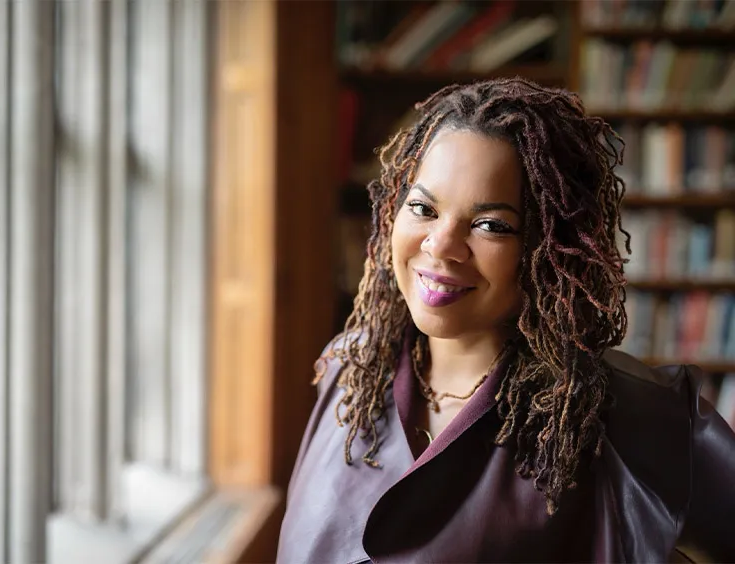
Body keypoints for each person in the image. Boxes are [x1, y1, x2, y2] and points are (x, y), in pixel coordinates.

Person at [277, 78, 735, 563]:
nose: (441, 246)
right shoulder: (348, 371)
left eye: (490, 225)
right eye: (423, 208)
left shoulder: (634, 420)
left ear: (550, 247)